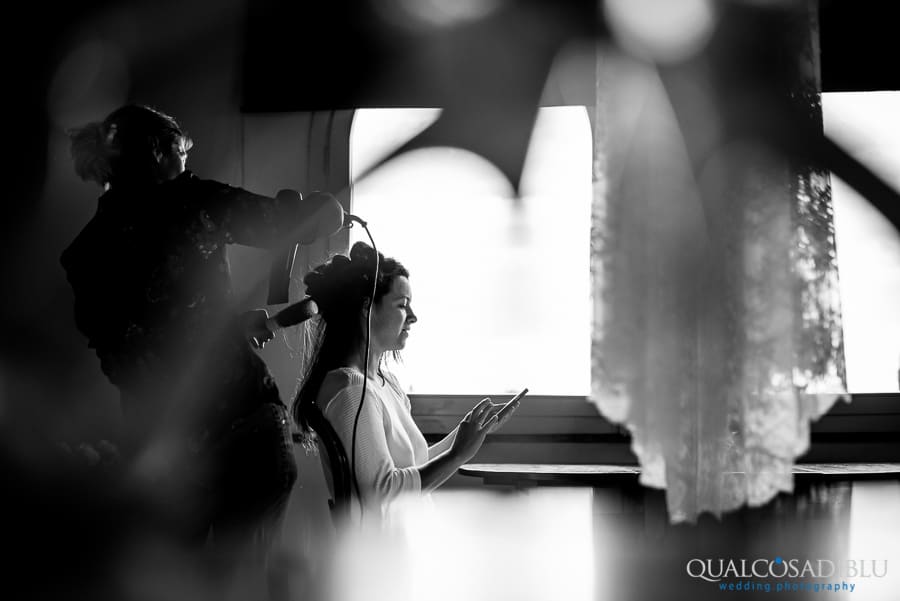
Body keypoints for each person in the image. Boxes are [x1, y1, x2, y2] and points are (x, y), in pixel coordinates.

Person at [60, 104, 320, 594]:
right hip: (239, 429)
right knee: (244, 585)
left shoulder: (86, 254)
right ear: (158, 152)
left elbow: (139, 346)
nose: (187, 162)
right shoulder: (189, 203)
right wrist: (324, 211)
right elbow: (289, 224)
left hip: (162, 454)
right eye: (181, 151)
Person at [293, 242, 520, 527]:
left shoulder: (384, 384)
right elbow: (382, 492)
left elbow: (413, 466)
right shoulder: (352, 392)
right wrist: (459, 453)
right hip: (384, 560)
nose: (413, 317)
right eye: (402, 305)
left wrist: (470, 432)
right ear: (366, 308)